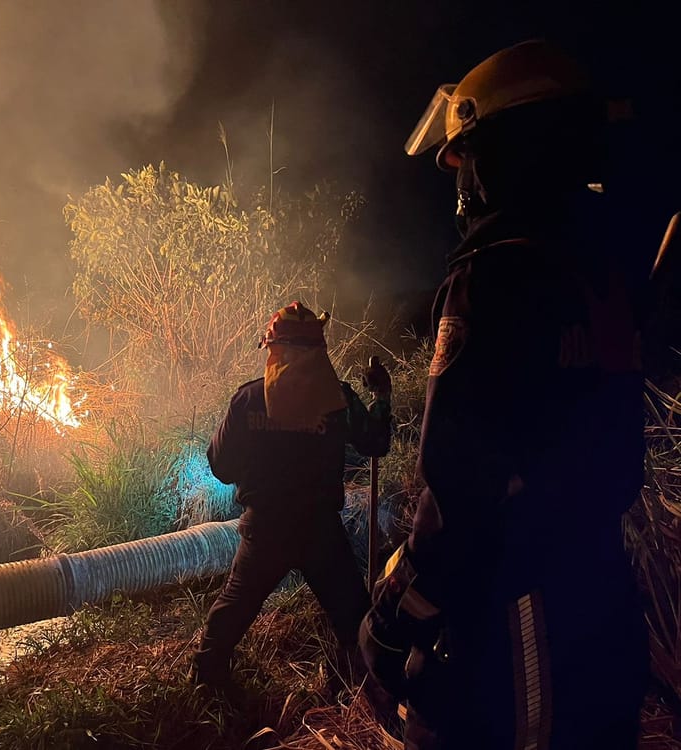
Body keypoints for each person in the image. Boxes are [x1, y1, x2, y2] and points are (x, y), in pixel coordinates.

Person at [359, 40, 650, 748]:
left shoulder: (492, 279)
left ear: (505, 153)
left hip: (518, 619)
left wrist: (391, 621)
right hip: (602, 599)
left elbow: (458, 485)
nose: (462, 184)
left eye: (467, 159)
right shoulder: (600, 273)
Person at [191, 301, 392, 699]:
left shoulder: (249, 400)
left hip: (265, 529)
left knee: (234, 608)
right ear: (319, 351)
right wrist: (382, 395)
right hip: (320, 531)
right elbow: (376, 442)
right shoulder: (339, 400)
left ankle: (206, 685)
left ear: (273, 348)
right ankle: (362, 692)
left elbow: (221, 468)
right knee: (354, 617)